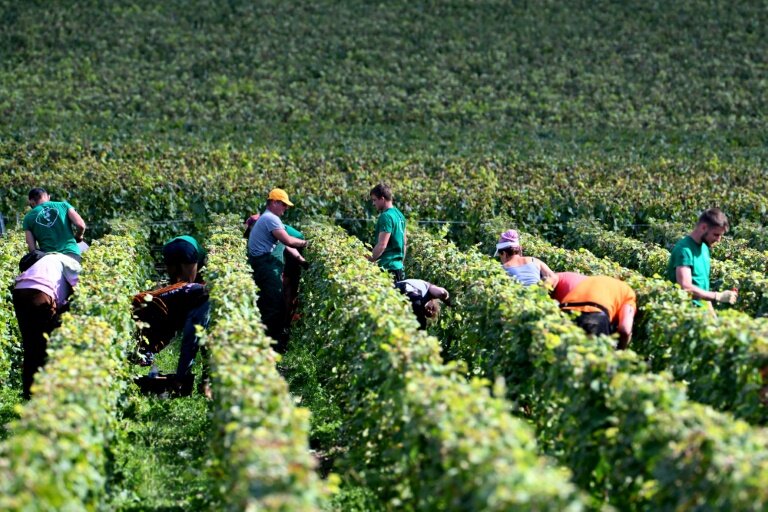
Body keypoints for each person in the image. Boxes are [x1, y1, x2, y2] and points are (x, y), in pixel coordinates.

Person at [12, 252, 83, 399]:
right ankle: (48, 391)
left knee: (30, 343)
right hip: (41, 292)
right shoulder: (69, 263)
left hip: (19, 291)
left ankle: (29, 391)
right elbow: (81, 291)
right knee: (48, 343)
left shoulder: (46, 264)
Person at [247, 189, 308, 350]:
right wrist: (306, 243)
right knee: (273, 304)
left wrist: (301, 260)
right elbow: (288, 240)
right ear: (273, 202)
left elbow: (284, 244)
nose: (285, 208)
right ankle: (268, 345)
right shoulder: (271, 219)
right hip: (266, 267)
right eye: (283, 204)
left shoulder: (269, 219)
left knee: (270, 302)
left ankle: (267, 342)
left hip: (266, 266)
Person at [132, 281, 211, 395]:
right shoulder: (154, 301)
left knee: (192, 344)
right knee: (205, 344)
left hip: (200, 300)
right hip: (196, 295)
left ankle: (183, 383)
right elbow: (167, 332)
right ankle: (203, 385)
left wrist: (180, 378)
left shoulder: (152, 306)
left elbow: (187, 343)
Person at [665, 207, 737, 314]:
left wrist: (711, 314)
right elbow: (685, 287)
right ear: (703, 227)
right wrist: (717, 296)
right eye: (716, 234)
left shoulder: (704, 248)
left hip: (700, 313)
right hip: (684, 313)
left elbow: (702, 288)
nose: (718, 239)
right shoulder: (684, 250)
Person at [558, 275, 637, 349]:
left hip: (564, 312)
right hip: (595, 317)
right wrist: (620, 351)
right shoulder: (629, 292)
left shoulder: (592, 280)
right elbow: (625, 330)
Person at [23, 187, 86, 262]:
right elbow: (81, 225)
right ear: (48, 197)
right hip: (72, 254)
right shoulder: (64, 205)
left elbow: (31, 248)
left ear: (32, 201)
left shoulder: (28, 217)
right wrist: (79, 236)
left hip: (49, 259)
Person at [368, 183, 407, 283]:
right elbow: (404, 242)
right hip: (398, 267)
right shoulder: (399, 215)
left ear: (382, 199)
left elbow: (382, 244)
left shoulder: (386, 216)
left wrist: (369, 260)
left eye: (374, 200)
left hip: (387, 267)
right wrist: (400, 263)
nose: (373, 203)